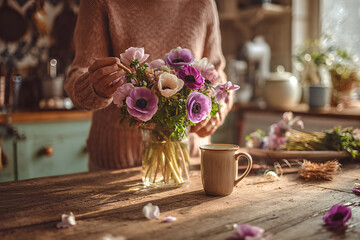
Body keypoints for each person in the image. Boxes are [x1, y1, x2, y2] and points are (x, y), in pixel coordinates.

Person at [65, 0, 234, 170]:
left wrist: (215, 110)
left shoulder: (203, 3)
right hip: (116, 165)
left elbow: (216, 74)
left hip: (189, 161)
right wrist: (94, 87)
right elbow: (78, 75)